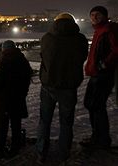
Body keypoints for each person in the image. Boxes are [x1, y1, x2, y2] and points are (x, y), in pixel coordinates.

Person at [36, 13, 88, 162]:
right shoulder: (80, 39)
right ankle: (63, 152)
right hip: (69, 86)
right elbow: (82, 57)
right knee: (66, 122)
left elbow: (43, 57)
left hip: (48, 85)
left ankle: (41, 152)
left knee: (44, 121)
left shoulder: (47, 38)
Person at [81, 6, 118, 149]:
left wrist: (104, 64)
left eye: (98, 15)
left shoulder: (109, 30)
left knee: (96, 105)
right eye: (92, 15)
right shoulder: (99, 30)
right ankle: (98, 136)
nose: (94, 17)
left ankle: (101, 139)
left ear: (104, 16)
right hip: (96, 73)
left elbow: (116, 50)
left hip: (103, 74)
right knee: (91, 104)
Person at [0, 40, 33, 158]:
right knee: (16, 125)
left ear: (4, 49)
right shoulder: (23, 61)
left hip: (4, 101)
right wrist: (23, 93)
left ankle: (0, 149)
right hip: (18, 99)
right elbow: (27, 78)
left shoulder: (5, 62)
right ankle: (15, 148)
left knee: (2, 126)